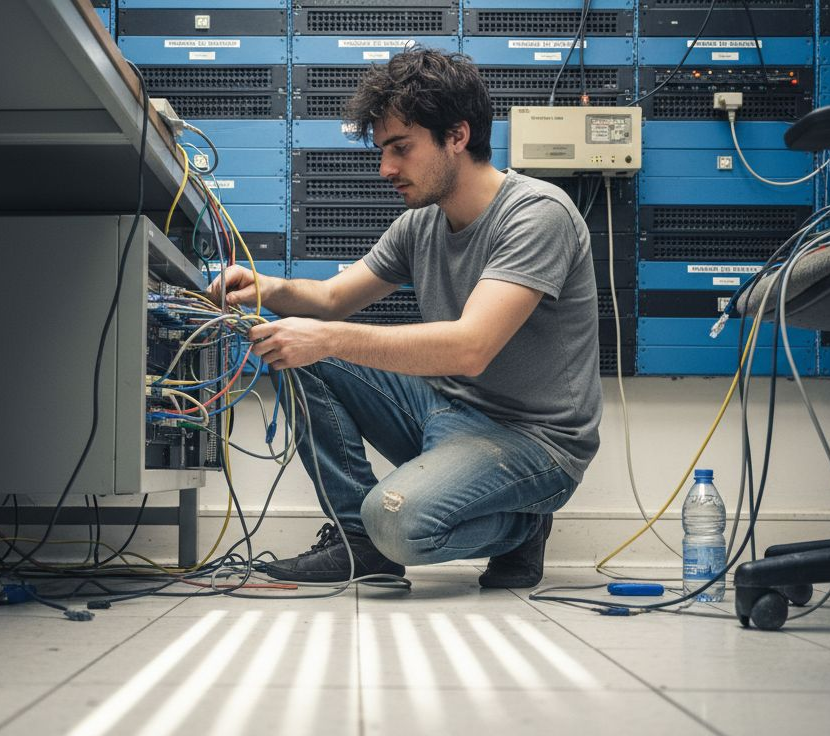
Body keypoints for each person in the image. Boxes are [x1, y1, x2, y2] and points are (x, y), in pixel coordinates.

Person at [209, 47, 602, 588]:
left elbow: (470, 347)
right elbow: (329, 301)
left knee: (396, 521)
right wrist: (267, 289)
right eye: (382, 150)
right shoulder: (421, 223)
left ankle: (521, 527)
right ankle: (358, 543)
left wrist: (327, 338)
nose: (385, 169)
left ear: (457, 136)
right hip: (447, 408)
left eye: (400, 149)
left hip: (535, 441)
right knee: (288, 347)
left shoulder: (538, 215)